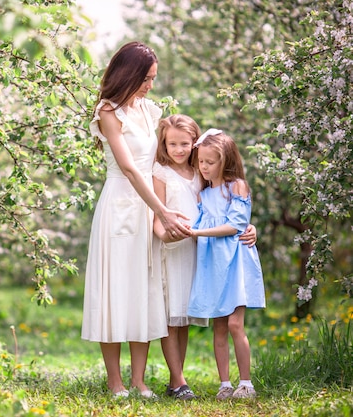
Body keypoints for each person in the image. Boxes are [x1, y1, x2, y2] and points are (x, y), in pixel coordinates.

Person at [81, 41, 192, 398]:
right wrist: (160, 210)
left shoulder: (150, 109)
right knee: (115, 290)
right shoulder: (108, 111)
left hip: (150, 206)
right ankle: (115, 382)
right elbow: (129, 167)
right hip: (120, 208)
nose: (149, 86)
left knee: (145, 291)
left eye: (153, 78)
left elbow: (167, 158)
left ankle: (139, 381)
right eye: (145, 78)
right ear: (128, 75)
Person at [152, 116, 258, 401]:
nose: (180, 149)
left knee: (216, 322)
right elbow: (161, 217)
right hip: (197, 256)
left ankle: (242, 382)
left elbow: (233, 219)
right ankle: (201, 382)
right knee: (191, 321)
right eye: (172, 143)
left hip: (221, 258)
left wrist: (250, 227)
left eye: (185, 144)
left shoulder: (217, 182)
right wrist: (173, 233)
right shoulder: (179, 179)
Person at [187, 129, 266, 400]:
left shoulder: (237, 187)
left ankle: (246, 383)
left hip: (236, 264)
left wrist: (198, 234)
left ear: (225, 160)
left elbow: (235, 224)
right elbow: (197, 223)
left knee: (235, 324)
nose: (204, 167)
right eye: (201, 162)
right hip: (214, 266)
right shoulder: (203, 195)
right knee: (219, 326)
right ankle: (225, 384)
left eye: (210, 162)